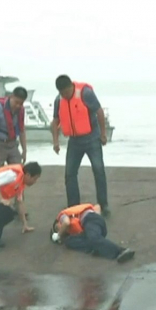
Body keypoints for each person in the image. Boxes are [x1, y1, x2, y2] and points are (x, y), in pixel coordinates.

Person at [50, 75, 110, 217]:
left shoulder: (85, 94)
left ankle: (103, 204)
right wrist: (56, 141)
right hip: (74, 141)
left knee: (98, 169)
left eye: (66, 92)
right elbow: (55, 121)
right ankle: (73, 206)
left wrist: (103, 134)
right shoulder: (59, 100)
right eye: (62, 93)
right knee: (70, 173)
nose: (65, 95)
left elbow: (99, 111)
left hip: (92, 139)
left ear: (71, 86)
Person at [0, 162, 41, 247]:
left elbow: (20, 202)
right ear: (28, 175)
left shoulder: (21, 182)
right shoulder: (13, 175)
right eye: (34, 179)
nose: (35, 182)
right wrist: (1, 199)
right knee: (4, 211)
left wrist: (25, 224)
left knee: (11, 212)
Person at [49, 202, 135, 264]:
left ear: (57, 224)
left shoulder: (62, 216)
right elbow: (97, 206)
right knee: (70, 242)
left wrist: (58, 235)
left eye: (58, 228)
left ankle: (120, 251)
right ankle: (95, 248)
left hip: (90, 219)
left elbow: (66, 223)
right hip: (93, 223)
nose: (61, 229)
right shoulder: (71, 233)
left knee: (93, 239)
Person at [0, 87, 28, 168]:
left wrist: (24, 151)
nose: (18, 105)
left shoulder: (20, 111)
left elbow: (22, 131)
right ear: (11, 96)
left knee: (18, 169)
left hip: (12, 144)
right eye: (16, 102)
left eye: (21, 103)